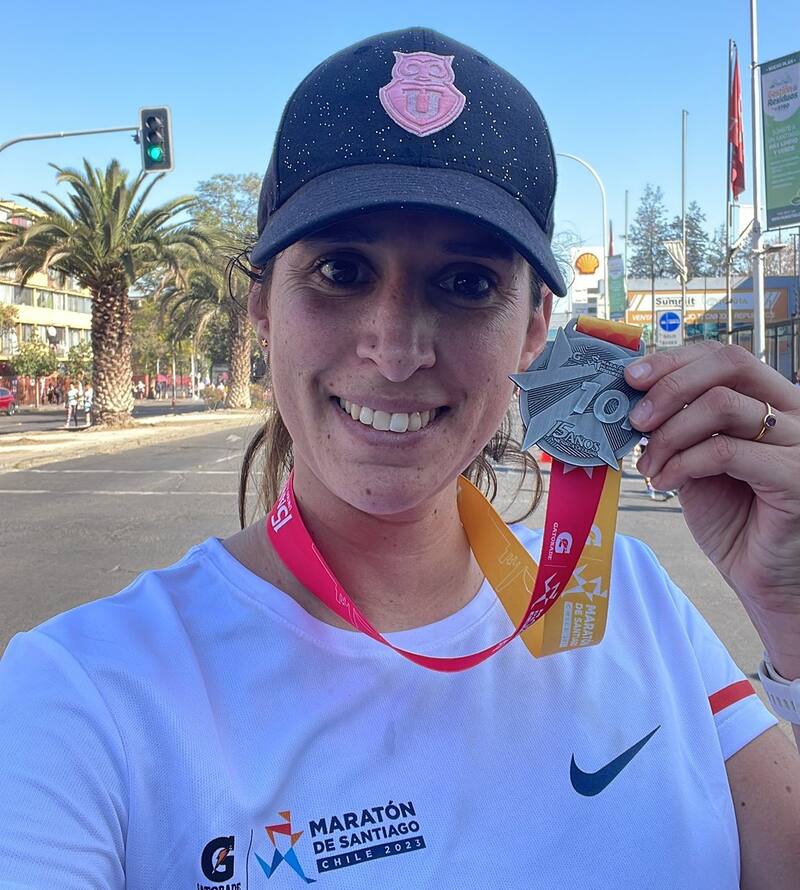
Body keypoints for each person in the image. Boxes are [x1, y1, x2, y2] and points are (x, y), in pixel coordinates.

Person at [1, 28, 799, 889]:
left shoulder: (640, 605)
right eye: (342, 270)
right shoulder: (84, 697)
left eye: (465, 283)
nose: (395, 350)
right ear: (263, 307)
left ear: (534, 329)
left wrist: (790, 609)